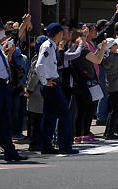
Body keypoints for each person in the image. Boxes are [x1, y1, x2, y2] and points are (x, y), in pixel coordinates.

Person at [35, 22, 78, 154]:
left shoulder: (50, 46)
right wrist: (44, 81)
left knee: (50, 116)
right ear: (58, 33)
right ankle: (65, 146)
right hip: (51, 85)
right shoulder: (48, 46)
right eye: (62, 32)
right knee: (65, 114)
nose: (64, 35)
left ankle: (46, 146)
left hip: (51, 84)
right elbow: (39, 66)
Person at [86, 37, 118, 140]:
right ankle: (110, 132)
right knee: (116, 111)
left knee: (112, 110)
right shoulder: (115, 59)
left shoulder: (106, 57)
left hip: (111, 86)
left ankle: (108, 132)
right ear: (111, 48)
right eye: (115, 45)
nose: (117, 46)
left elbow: (117, 56)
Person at [0, 17, 24, 162]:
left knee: (5, 120)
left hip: (3, 85)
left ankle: (10, 151)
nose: (1, 31)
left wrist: (9, 54)